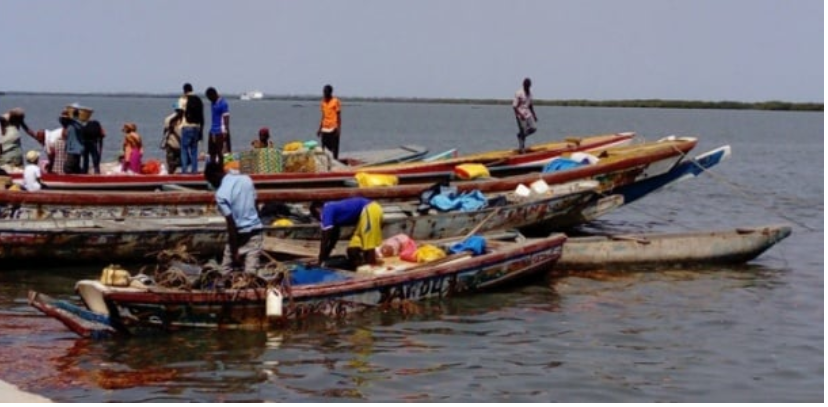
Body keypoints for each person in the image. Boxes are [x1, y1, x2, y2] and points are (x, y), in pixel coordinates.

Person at [203, 161, 263, 274]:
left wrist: (235, 251)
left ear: (214, 177)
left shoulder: (221, 194)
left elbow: (231, 224)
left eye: (210, 181)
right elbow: (256, 205)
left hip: (238, 234)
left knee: (225, 270)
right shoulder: (246, 178)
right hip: (256, 231)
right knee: (251, 272)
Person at [309, 197, 384, 269]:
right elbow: (333, 239)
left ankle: (372, 272)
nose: (319, 220)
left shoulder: (327, 209)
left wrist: (320, 260)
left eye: (316, 217)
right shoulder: (333, 213)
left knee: (369, 248)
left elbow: (325, 239)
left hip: (370, 209)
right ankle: (361, 269)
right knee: (352, 250)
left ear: (317, 210)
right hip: (362, 218)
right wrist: (324, 258)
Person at [179, 83, 204, 174]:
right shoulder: (198, 100)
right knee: (194, 150)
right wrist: (201, 131)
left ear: (184, 90)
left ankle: (184, 171)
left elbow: (179, 113)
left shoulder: (183, 99)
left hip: (186, 126)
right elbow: (202, 117)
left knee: (184, 150)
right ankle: (194, 171)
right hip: (196, 127)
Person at [512, 77, 538, 154]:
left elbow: (530, 105)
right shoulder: (519, 93)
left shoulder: (530, 94)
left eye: (529, 86)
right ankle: (521, 148)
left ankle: (520, 136)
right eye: (526, 85)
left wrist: (534, 115)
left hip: (528, 114)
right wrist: (520, 115)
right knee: (523, 130)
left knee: (533, 128)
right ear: (524, 85)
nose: (527, 87)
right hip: (520, 115)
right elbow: (514, 107)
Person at [205, 87, 230, 166]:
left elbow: (226, 117)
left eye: (210, 97)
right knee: (212, 152)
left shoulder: (223, 103)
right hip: (212, 131)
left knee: (221, 153)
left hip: (220, 131)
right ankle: (213, 168)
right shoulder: (212, 103)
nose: (209, 99)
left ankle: (221, 168)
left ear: (214, 95)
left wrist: (226, 130)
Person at [316, 84, 342, 159]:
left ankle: (335, 162)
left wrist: (339, 129)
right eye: (323, 92)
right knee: (324, 149)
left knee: (334, 148)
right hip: (325, 128)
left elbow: (338, 116)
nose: (324, 94)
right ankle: (326, 164)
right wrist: (319, 129)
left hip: (333, 127)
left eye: (325, 92)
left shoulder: (335, 101)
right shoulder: (323, 102)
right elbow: (323, 116)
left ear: (330, 92)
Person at [161, 102, 184, 174]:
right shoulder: (184, 119)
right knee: (184, 160)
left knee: (170, 162)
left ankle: (171, 173)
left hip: (170, 143)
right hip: (181, 144)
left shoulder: (167, 119)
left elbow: (165, 131)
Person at [62, 107, 85, 174]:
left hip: (75, 149)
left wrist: (72, 120)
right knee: (75, 167)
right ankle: (79, 180)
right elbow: (61, 120)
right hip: (72, 148)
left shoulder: (78, 124)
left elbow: (80, 126)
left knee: (67, 167)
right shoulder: (69, 124)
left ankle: (71, 180)